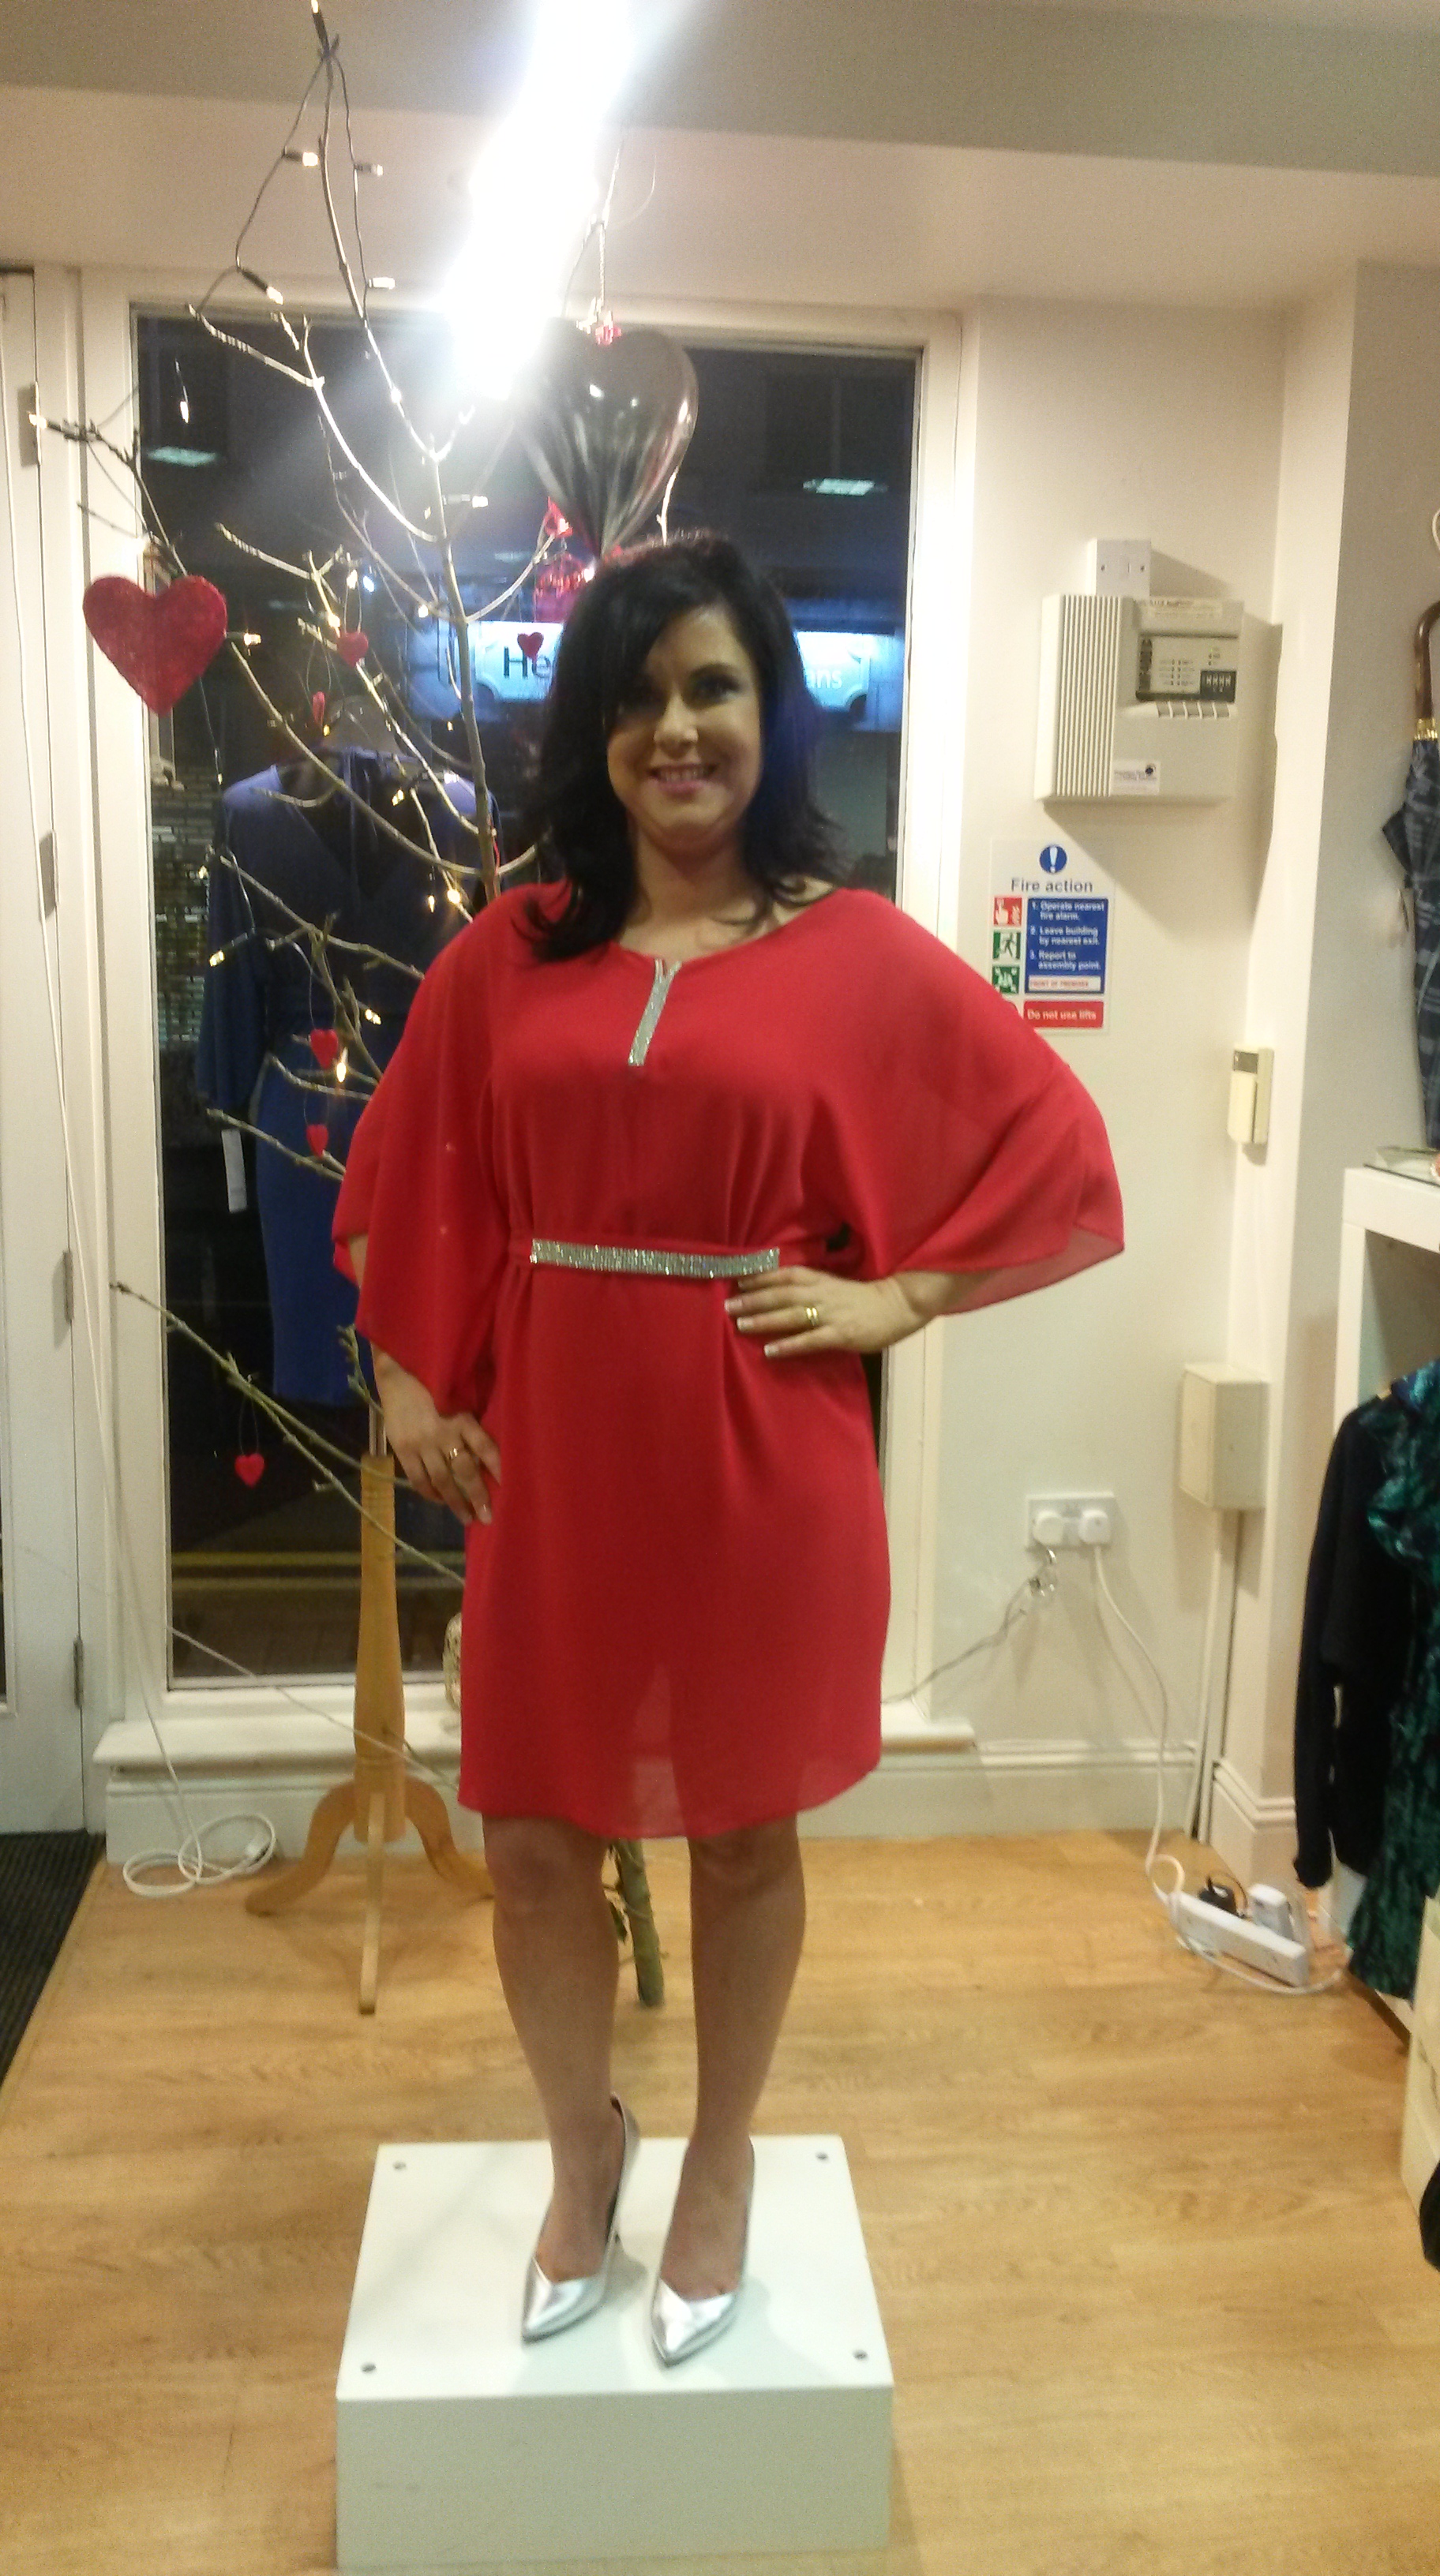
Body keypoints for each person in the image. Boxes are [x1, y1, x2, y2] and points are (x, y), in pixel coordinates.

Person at [332, 531, 1123, 2368]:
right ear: (593, 735)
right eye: (638, 698)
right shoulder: (509, 954)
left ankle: (721, 2158)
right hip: (554, 1466)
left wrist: (896, 1296)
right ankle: (581, 2151)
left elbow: (1051, 1143)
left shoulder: (855, 954)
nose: (676, 730)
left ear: (773, 712)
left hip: (763, 1464)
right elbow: (417, 1173)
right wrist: (409, 1386)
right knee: (536, 1838)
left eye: (712, 688)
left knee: (746, 1835)